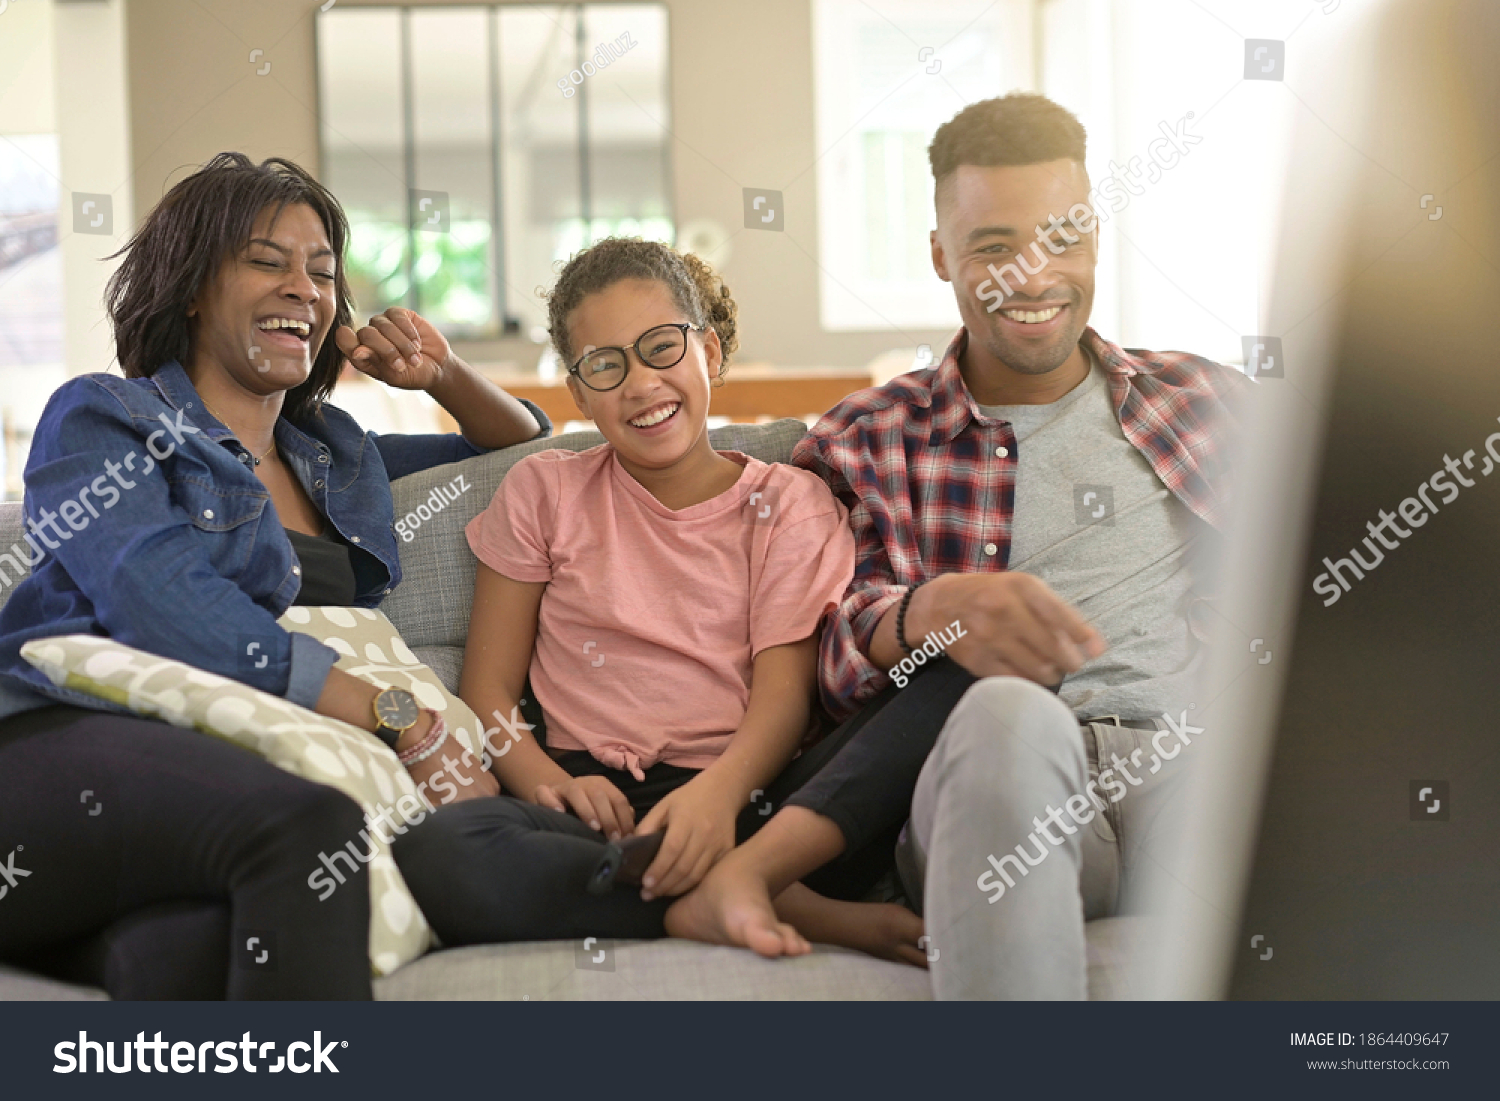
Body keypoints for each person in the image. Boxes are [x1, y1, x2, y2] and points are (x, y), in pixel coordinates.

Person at [665, 93, 1248, 998]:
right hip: (1008, 782)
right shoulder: (866, 436)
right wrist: (927, 613)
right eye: (991, 247)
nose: (1032, 274)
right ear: (940, 255)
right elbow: (820, 659)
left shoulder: (1206, 401)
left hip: (1192, 774)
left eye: (1062, 237)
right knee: (1010, 713)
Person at [0, 153, 547, 999]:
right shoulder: (105, 416)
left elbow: (520, 451)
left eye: (323, 272)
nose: (306, 288)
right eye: (266, 260)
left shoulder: (336, 453)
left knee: (184, 955)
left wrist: (440, 375)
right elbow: (164, 603)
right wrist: (403, 719)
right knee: (308, 827)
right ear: (189, 287)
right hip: (59, 747)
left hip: (226, 766)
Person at [392, 239, 968, 964]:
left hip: (762, 805)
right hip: (600, 818)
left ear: (711, 354)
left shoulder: (787, 500)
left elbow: (782, 700)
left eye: (662, 347)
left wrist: (717, 802)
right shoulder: (544, 490)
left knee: (960, 670)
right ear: (579, 392)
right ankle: (784, 910)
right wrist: (546, 783)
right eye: (606, 363)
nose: (639, 383)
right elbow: (489, 688)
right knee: (439, 848)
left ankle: (750, 877)